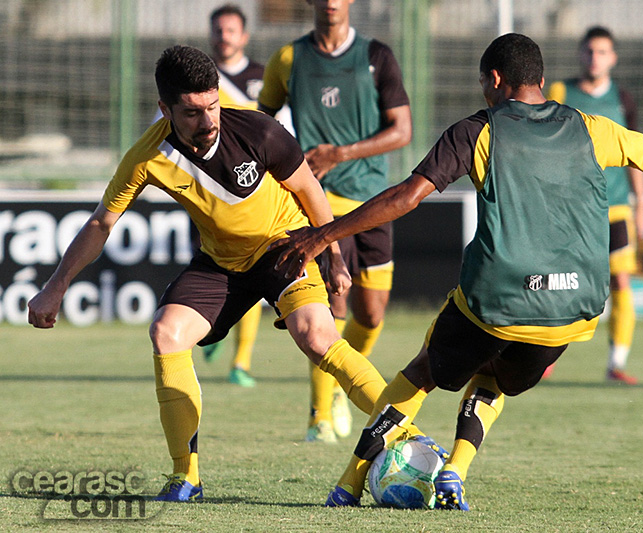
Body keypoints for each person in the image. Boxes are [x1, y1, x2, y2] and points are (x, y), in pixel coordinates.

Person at [273, 33, 643, 510]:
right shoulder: (592, 128)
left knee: (423, 371)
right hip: (572, 310)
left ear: (495, 80)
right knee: (494, 377)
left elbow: (408, 196)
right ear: (541, 79)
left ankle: (348, 483)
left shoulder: (477, 130)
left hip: (496, 301)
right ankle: (455, 470)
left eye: (482, 82)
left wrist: (323, 234)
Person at [26, 45, 405, 502]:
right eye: (192, 112)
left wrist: (334, 256)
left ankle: (408, 435)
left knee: (318, 338)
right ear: (165, 109)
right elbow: (100, 224)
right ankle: (186, 477)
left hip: (285, 246)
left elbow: (309, 189)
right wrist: (56, 286)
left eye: (213, 105)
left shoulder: (259, 130)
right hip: (222, 263)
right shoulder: (147, 155)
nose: (208, 121)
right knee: (166, 333)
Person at [257, 0, 412, 443]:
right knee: (332, 308)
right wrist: (285, 167)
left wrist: (339, 154)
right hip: (317, 203)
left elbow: (402, 131)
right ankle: (319, 416)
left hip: (372, 202)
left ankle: (344, 381)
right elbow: (260, 125)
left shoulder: (376, 56)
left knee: (372, 314)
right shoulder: (288, 59)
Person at [546, 26, 643, 384]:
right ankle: (544, 355)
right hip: (572, 208)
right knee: (562, 283)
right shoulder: (560, 92)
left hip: (615, 207)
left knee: (620, 280)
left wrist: (641, 205)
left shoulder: (623, 99)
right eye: (589, 51)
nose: (594, 58)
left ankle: (616, 363)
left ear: (612, 58)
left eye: (602, 52)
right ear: (580, 54)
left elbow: (636, 155)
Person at [200, 3, 267, 388]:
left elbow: (278, 126)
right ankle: (213, 329)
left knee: (253, 271)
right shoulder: (198, 76)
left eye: (230, 30)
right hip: (208, 192)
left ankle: (240, 363)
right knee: (214, 269)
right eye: (218, 30)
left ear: (243, 36)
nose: (223, 37)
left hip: (252, 188)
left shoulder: (262, 78)